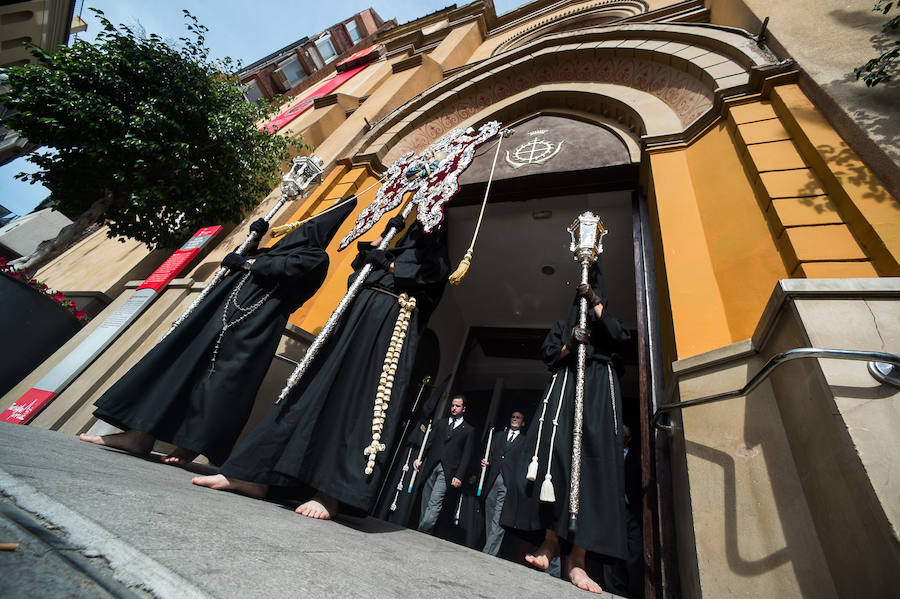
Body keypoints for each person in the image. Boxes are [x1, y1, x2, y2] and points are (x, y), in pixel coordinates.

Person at [193, 217, 451, 520]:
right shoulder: (385, 252)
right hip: (349, 328)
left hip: (384, 338)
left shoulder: (432, 265)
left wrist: (391, 265)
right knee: (305, 394)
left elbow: (427, 275)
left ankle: (328, 493)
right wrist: (380, 250)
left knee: (357, 406)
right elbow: (356, 280)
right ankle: (252, 474)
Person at [79, 199, 357, 466]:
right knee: (180, 370)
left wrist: (248, 263)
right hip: (216, 317)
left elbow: (283, 269)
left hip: (253, 328)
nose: (299, 230)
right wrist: (254, 240)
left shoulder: (315, 257)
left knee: (220, 383)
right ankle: (139, 435)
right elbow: (242, 262)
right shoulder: (270, 252)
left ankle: (191, 444)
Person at [501, 261, 630, 595]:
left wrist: (598, 304)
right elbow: (549, 356)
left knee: (590, 471)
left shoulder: (607, 323)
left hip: (599, 396)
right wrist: (570, 344)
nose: (585, 300)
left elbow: (621, 340)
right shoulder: (562, 325)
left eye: (592, 293)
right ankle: (549, 545)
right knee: (556, 464)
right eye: (583, 295)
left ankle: (577, 562)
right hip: (566, 391)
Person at [413, 395, 476, 534]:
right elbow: (429, 442)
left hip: (448, 470)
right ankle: (425, 532)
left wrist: (459, 476)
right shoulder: (441, 423)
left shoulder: (468, 430)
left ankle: (422, 530)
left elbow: (466, 455)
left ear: (464, 409)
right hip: (432, 465)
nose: (454, 408)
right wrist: (420, 458)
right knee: (426, 498)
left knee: (435, 500)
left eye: (457, 406)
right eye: (453, 405)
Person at [481, 410, 526, 555]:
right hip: (493, 479)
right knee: (489, 512)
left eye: (518, 418)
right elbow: (492, 454)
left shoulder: (524, 441)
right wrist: (486, 462)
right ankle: (491, 548)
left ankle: (488, 551)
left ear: (523, 423)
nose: (514, 419)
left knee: (499, 517)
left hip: (507, 482)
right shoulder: (498, 436)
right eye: (512, 416)